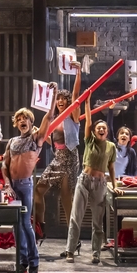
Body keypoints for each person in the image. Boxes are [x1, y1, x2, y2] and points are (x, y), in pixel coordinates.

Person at [64, 100, 120, 264]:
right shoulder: (90, 141)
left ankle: (96, 253)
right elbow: (88, 120)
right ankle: (70, 250)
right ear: (94, 132)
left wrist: (115, 186)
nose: (101, 130)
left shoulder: (111, 147)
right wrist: (87, 102)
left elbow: (111, 168)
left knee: (97, 221)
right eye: (98, 128)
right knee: (76, 217)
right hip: (84, 181)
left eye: (104, 128)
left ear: (107, 131)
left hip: (100, 184)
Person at [4, 100, 55, 273]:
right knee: (16, 225)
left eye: (25, 118)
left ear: (31, 122)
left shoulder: (36, 139)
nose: (22, 121)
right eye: (19, 119)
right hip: (13, 186)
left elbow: (49, 117)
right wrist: (7, 184)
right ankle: (22, 260)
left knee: (25, 224)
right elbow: (4, 165)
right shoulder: (12, 141)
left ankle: (34, 260)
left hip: (25, 185)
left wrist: (53, 96)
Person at [35, 79, 81, 247]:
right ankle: (40, 229)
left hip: (70, 157)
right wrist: (41, 134)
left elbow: (76, 95)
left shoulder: (72, 116)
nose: (60, 101)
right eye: (58, 99)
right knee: (38, 190)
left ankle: (73, 240)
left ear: (68, 102)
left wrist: (78, 73)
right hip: (58, 157)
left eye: (63, 99)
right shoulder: (54, 119)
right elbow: (53, 142)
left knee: (66, 198)